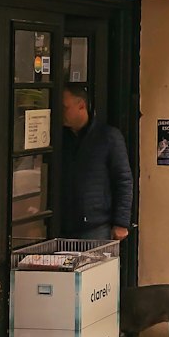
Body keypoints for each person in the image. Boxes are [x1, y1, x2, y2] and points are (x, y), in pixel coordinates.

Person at [61, 83, 133, 242]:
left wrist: (121, 223)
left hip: (96, 225)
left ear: (81, 106)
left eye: (64, 107)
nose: (60, 113)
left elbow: (123, 180)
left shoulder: (108, 137)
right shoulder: (59, 139)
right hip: (62, 224)